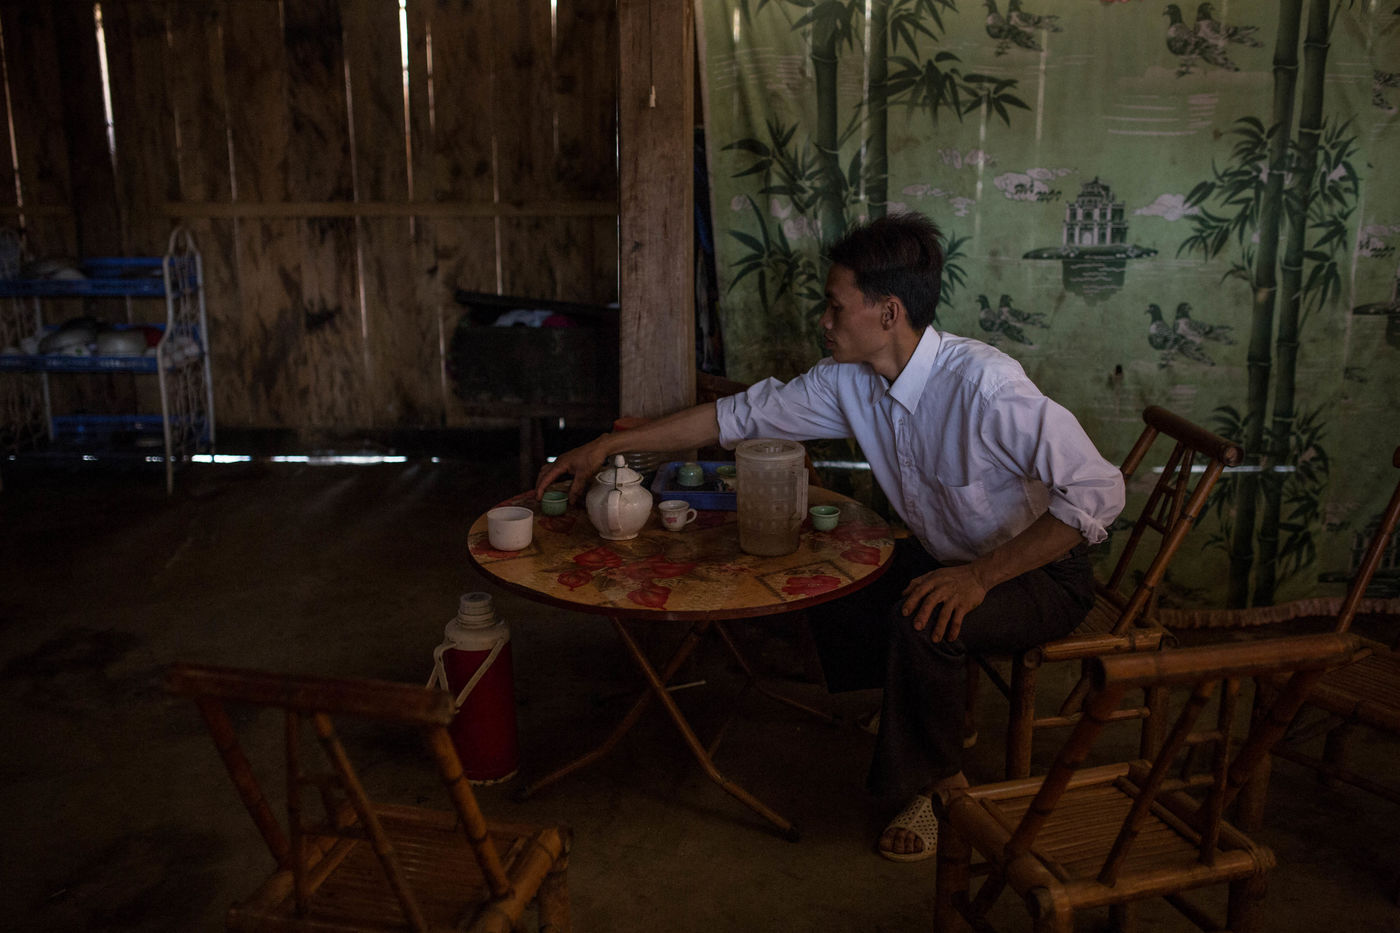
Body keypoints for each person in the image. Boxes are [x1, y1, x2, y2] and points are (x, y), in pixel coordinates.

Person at [533, 211, 1125, 862]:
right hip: (950, 557)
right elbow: (734, 417)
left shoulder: (984, 386)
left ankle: (939, 791)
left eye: (836, 306)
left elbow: (1097, 493)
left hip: (1040, 574)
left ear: (889, 312)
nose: (824, 320)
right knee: (845, 572)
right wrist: (607, 445)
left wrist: (980, 578)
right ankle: (922, 710)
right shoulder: (850, 381)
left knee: (926, 620)